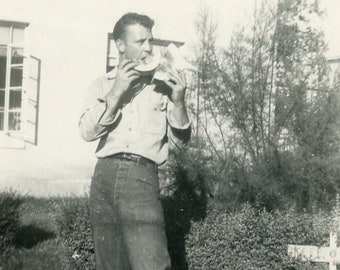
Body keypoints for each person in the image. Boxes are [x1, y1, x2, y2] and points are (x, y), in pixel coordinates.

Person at [79, 12, 191, 270]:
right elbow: (86, 132)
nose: (149, 48)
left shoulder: (163, 85)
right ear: (120, 45)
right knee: (109, 265)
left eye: (150, 41)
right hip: (103, 178)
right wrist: (117, 91)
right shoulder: (100, 84)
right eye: (140, 42)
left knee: (152, 264)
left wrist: (179, 101)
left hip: (141, 179)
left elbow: (180, 143)